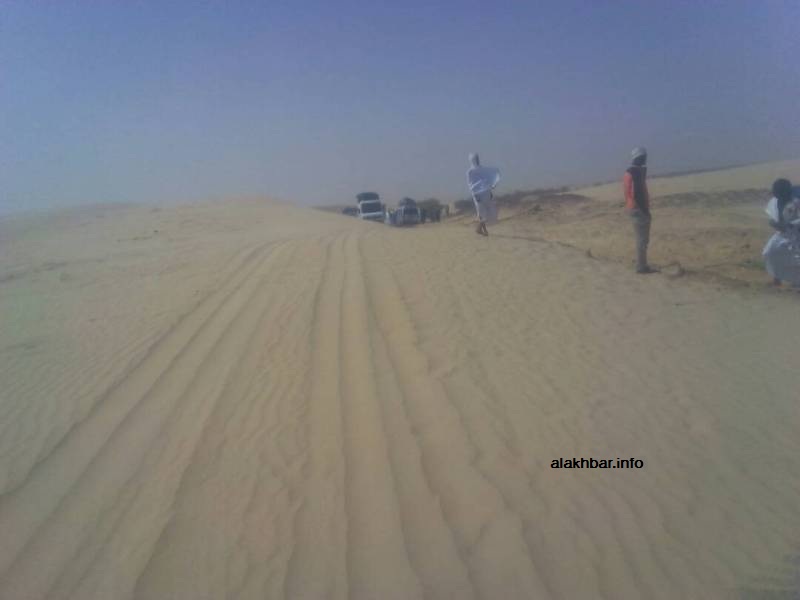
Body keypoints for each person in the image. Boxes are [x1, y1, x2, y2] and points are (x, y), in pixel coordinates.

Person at [623, 147, 656, 273]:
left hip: (632, 208)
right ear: (640, 157)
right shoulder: (635, 172)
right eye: (644, 156)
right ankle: (641, 267)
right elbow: (638, 194)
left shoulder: (629, 172)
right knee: (642, 239)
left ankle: (641, 264)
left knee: (640, 239)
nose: (646, 159)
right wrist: (645, 210)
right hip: (638, 209)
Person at [763, 178, 800, 286]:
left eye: (778, 193)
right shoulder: (777, 201)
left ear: (785, 192)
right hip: (787, 234)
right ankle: (777, 278)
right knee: (771, 252)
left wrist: (791, 224)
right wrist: (774, 223)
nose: (776, 195)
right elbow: (776, 217)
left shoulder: (796, 199)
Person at [467, 153, 501, 236]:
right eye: (475, 158)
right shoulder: (470, 172)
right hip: (477, 195)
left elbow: (488, 178)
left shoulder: (483, 169)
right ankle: (482, 230)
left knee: (491, 211)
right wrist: (475, 195)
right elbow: (471, 184)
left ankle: (481, 230)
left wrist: (491, 188)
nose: (477, 160)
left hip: (486, 193)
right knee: (482, 213)